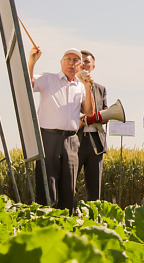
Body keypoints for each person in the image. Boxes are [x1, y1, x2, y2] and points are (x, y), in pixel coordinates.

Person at [28, 47, 95, 210]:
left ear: (80, 66)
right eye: (68, 59)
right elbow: (28, 83)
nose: (71, 63)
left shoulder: (80, 86)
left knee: (68, 185)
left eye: (75, 61)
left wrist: (88, 87)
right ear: (61, 63)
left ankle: (66, 224)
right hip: (49, 138)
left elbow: (89, 112)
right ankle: (45, 222)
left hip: (72, 140)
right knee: (47, 184)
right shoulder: (48, 78)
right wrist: (32, 62)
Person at [76, 50, 107, 202]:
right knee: (69, 182)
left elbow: (106, 112)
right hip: (76, 139)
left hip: (95, 141)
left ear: (93, 66)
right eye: (81, 61)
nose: (84, 63)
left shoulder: (101, 89)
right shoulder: (71, 86)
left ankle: (93, 217)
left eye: (87, 61)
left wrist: (99, 117)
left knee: (94, 186)